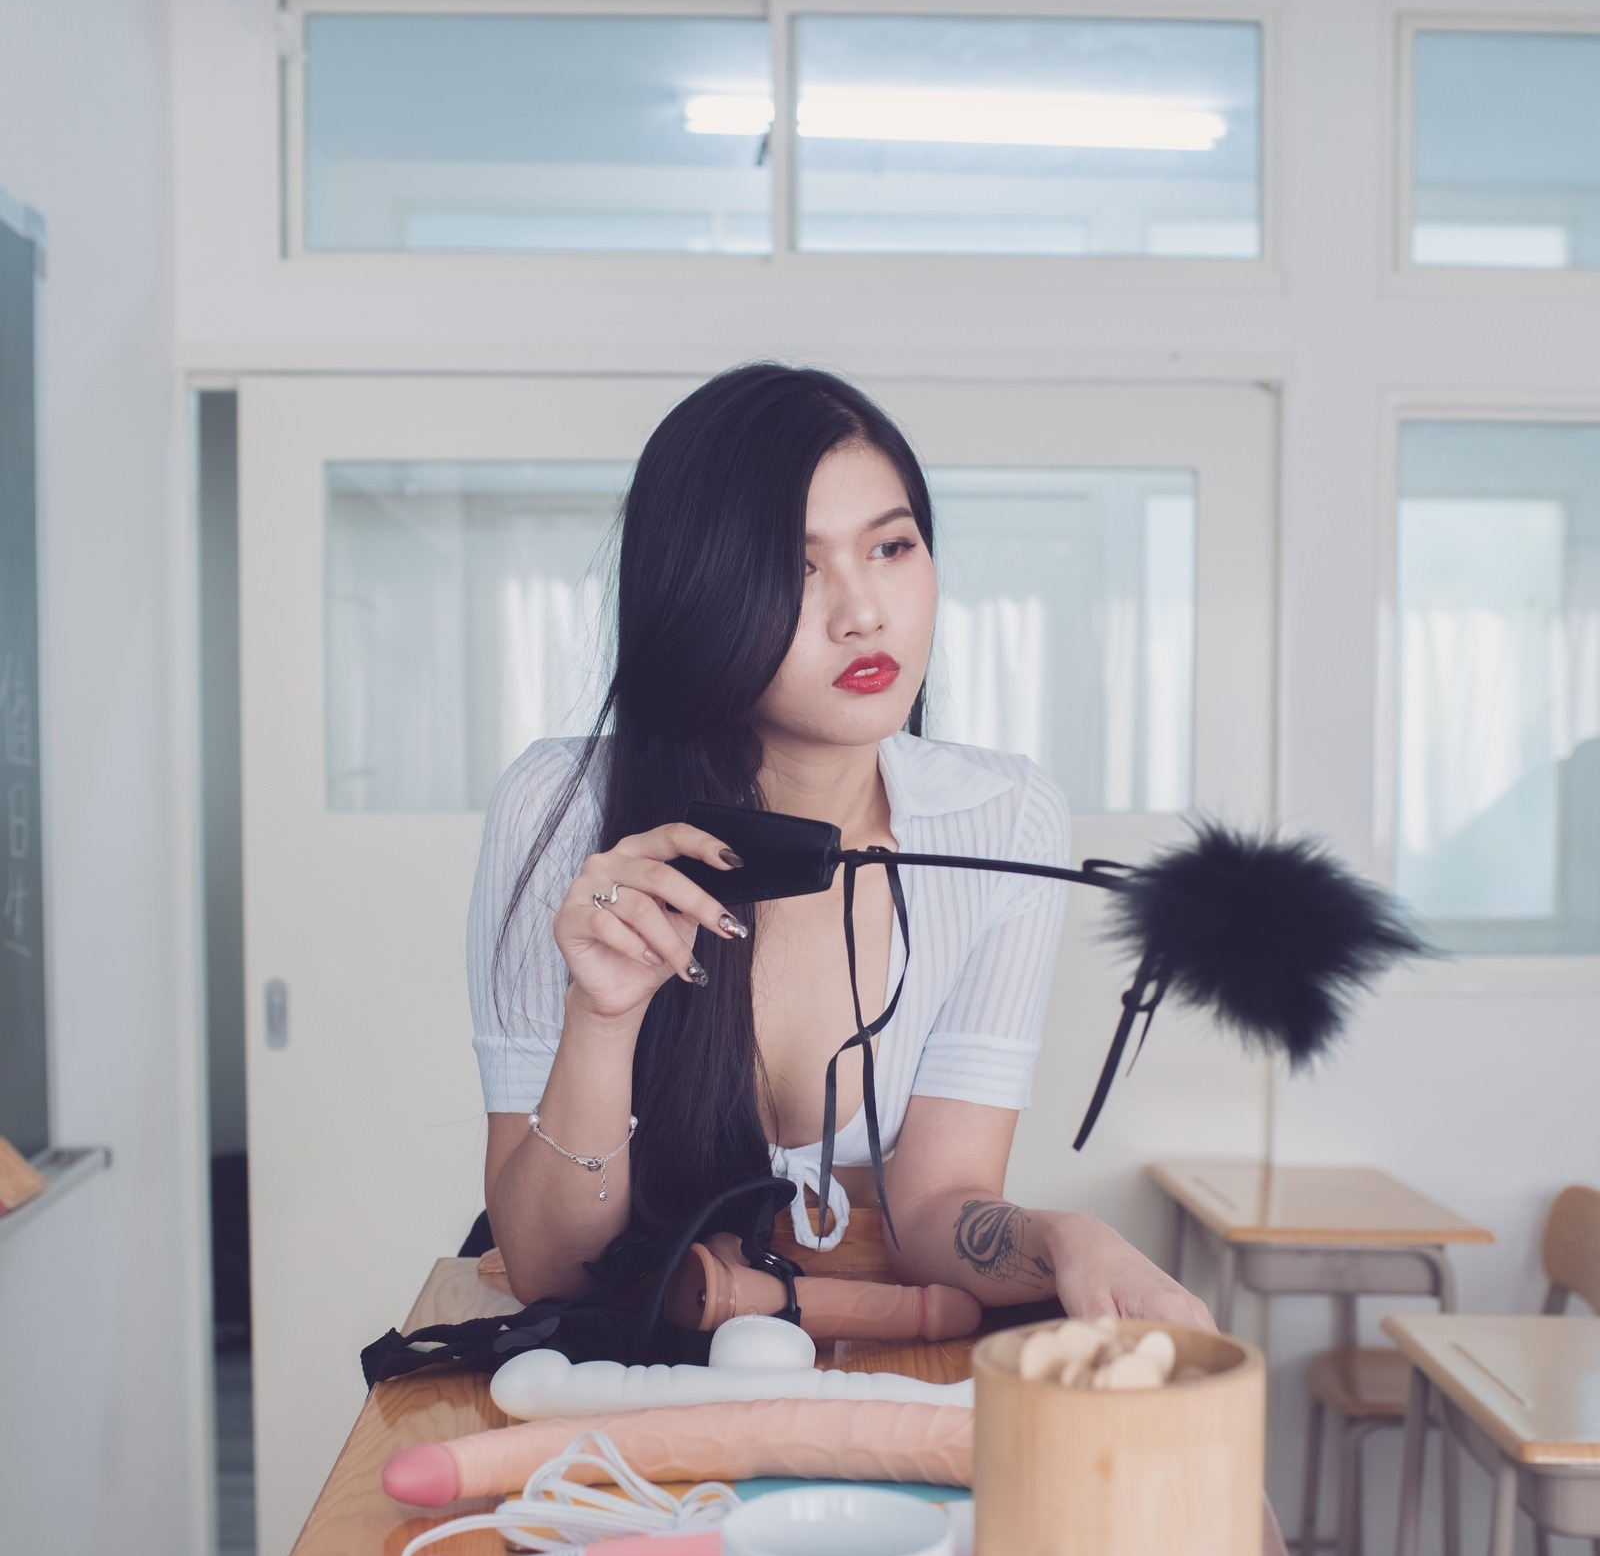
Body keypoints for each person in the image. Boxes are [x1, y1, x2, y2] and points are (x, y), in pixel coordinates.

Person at [467, 363, 1212, 1333]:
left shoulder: (1005, 819)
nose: (862, 612)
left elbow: (935, 1208)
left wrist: (1070, 1240)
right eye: (797, 566)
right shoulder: (561, 811)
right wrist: (602, 1021)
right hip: (616, 1362)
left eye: (891, 547)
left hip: (855, 1349)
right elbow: (549, 1271)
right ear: (699, 595)